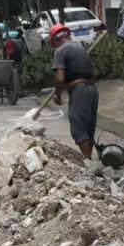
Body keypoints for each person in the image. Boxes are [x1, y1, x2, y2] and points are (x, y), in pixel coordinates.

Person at [50, 23, 98, 160]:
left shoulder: (60, 51)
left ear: (55, 40)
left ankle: (87, 161)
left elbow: (59, 79)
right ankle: (89, 159)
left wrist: (58, 95)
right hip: (92, 90)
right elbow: (93, 73)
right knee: (89, 126)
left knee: (78, 127)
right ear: (67, 35)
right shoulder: (79, 47)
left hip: (80, 91)